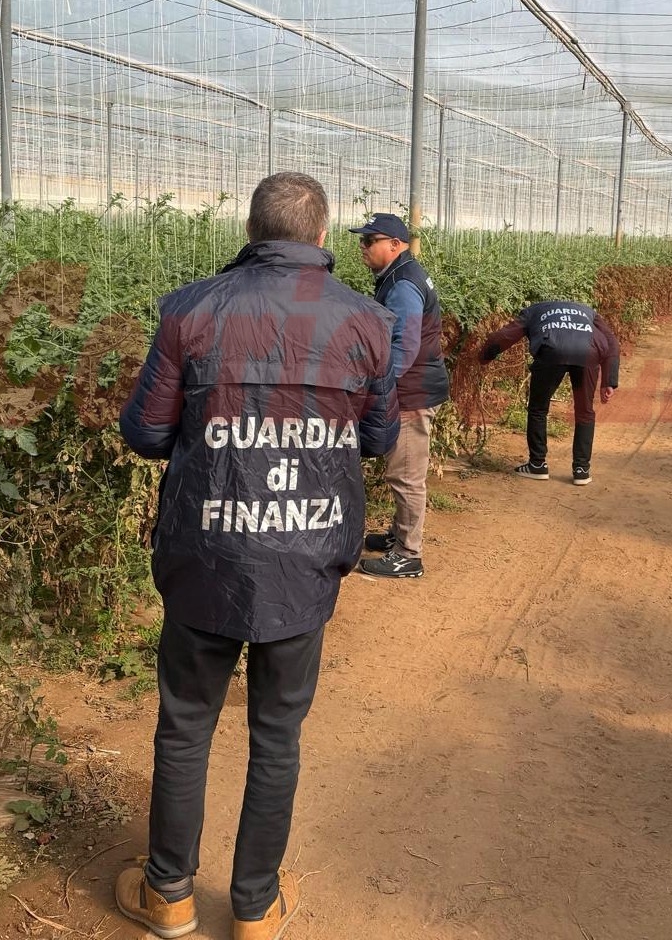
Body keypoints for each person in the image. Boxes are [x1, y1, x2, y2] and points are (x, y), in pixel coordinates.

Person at [115, 172, 399, 940]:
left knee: (185, 724)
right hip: (304, 557)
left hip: (205, 549)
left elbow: (144, 433)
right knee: (277, 733)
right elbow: (377, 439)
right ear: (320, 234)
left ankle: (168, 893)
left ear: (249, 229)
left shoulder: (190, 309)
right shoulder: (368, 322)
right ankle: (253, 906)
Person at [348, 212, 450, 580]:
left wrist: (376, 389)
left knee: (405, 474)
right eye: (362, 239)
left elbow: (403, 348)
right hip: (415, 387)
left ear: (395, 244)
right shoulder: (402, 274)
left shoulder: (403, 283)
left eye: (369, 240)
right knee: (403, 469)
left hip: (411, 393)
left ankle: (409, 554)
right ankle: (398, 535)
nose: (362, 246)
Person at [478, 299, 620, 486]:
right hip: (588, 353)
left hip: (552, 351)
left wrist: (483, 356)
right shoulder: (588, 312)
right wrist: (609, 382)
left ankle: (537, 464)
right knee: (585, 411)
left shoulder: (533, 311)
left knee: (538, 408)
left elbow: (506, 335)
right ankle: (582, 470)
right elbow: (611, 342)